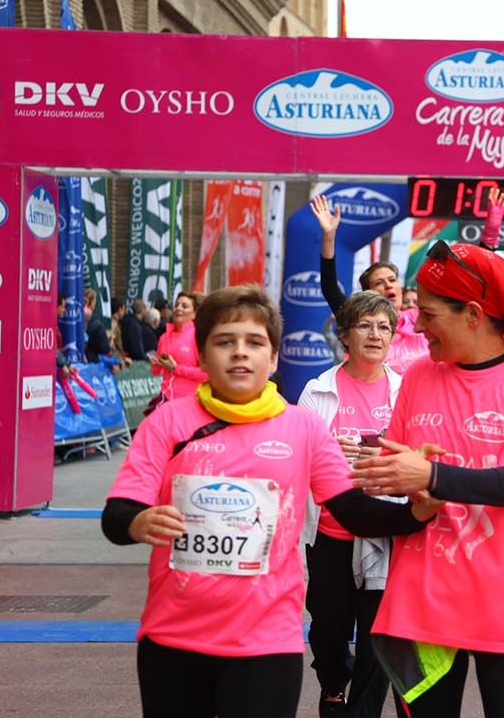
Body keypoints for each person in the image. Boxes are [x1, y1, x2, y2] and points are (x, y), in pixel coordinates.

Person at [100, 284, 440, 718]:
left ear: (274, 358)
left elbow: (351, 510)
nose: (240, 353)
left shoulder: (303, 427)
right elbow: (117, 515)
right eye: (225, 342)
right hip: (173, 637)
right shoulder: (168, 423)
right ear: (201, 357)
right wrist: (137, 522)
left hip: (267, 641)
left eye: (255, 342)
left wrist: (419, 511)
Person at [346, 241, 504, 718]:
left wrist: (429, 474)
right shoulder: (418, 377)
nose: (416, 325)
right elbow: (397, 478)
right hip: (424, 599)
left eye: (429, 315)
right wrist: (385, 479)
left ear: (472, 313)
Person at [297, 291, 404, 718]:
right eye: (365, 325)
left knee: (378, 638)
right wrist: (325, 450)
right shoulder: (316, 390)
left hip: (383, 531)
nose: (375, 334)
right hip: (330, 533)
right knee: (328, 632)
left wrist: (388, 458)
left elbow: (423, 455)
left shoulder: (406, 390)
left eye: (383, 326)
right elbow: (296, 456)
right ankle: (332, 685)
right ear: (345, 334)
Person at [311, 194, 430, 373]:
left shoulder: (421, 318)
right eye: (380, 283)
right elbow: (330, 288)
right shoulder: (357, 318)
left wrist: (489, 239)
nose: (389, 286)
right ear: (368, 294)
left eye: (392, 280)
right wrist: (328, 237)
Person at [150, 292, 208, 403]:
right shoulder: (165, 337)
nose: (178, 308)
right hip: (165, 398)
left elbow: (206, 374)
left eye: (184, 306)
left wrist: (176, 368)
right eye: (176, 305)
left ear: (195, 313)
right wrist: (156, 363)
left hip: (189, 402)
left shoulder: (198, 336)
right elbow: (156, 371)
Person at [83, 288, 112, 364]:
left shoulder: (75, 318)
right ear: (92, 302)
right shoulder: (97, 324)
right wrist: (109, 344)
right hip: (92, 362)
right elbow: (104, 349)